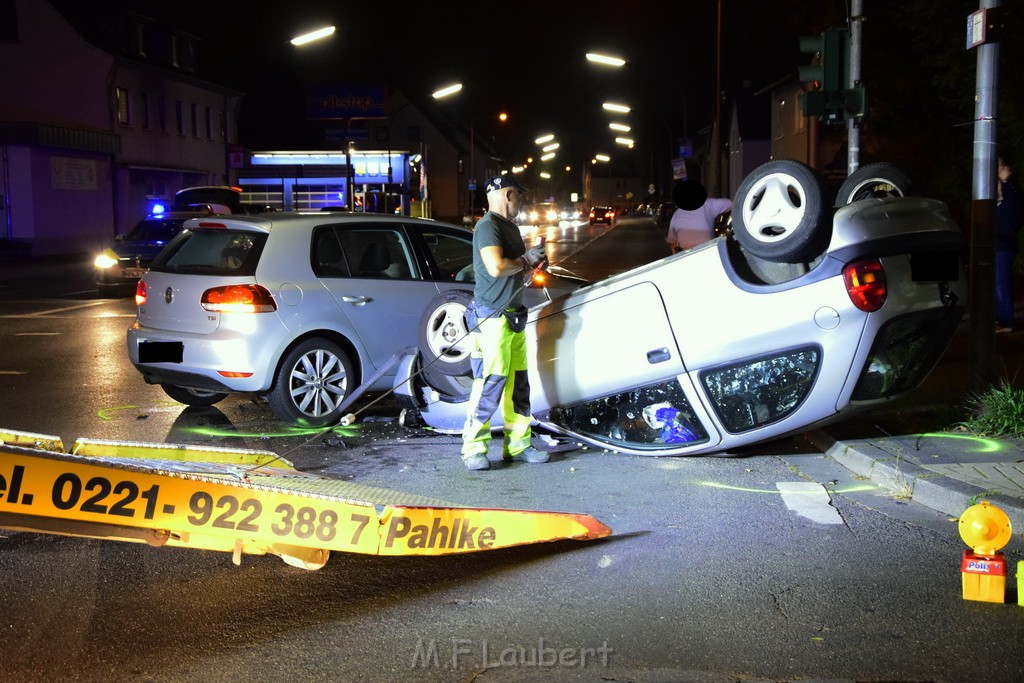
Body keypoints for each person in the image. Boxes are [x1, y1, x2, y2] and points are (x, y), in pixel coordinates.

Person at [460, 174, 550, 471]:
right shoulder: (488, 227)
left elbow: (515, 270)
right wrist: (526, 260)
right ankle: (473, 449)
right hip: (492, 319)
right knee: (490, 384)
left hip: (513, 316)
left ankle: (518, 445)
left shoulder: (509, 227)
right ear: (508, 194)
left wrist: (532, 264)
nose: (521, 201)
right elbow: (496, 267)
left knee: (518, 386)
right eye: (519, 196)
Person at [665, 179, 732, 254]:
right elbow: (733, 204)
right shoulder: (709, 204)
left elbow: (672, 241)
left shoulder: (676, 214)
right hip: (707, 251)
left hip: (685, 255)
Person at [996, 157, 1023, 333]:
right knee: (995, 284)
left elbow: (1012, 213)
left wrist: (1005, 181)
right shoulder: (997, 201)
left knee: (1000, 284)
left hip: (1003, 245)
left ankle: (1006, 322)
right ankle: (1001, 320)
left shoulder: (1012, 198)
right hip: (994, 245)